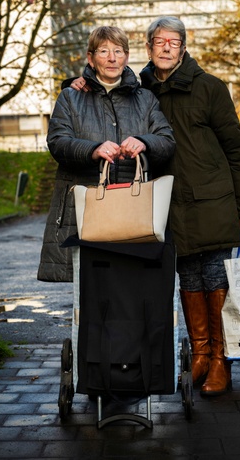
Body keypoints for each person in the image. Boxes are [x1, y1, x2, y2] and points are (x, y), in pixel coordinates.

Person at [67, 16, 240, 397]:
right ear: (150, 47)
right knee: (187, 277)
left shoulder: (210, 88)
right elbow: (105, 85)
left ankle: (221, 360)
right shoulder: (140, 87)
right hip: (167, 202)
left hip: (212, 198)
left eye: (174, 41)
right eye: (159, 41)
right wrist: (74, 82)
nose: (167, 47)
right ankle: (201, 354)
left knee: (215, 277)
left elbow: (237, 150)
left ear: (184, 47)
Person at [37, 26, 176, 283]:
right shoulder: (70, 97)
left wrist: (144, 142)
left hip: (133, 211)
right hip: (85, 212)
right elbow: (57, 142)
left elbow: (167, 141)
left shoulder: (145, 99)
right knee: (88, 294)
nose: (112, 58)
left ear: (126, 56)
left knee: (129, 291)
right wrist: (93, 149)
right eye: (104, 51)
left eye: (118, 51)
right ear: (91, 58)